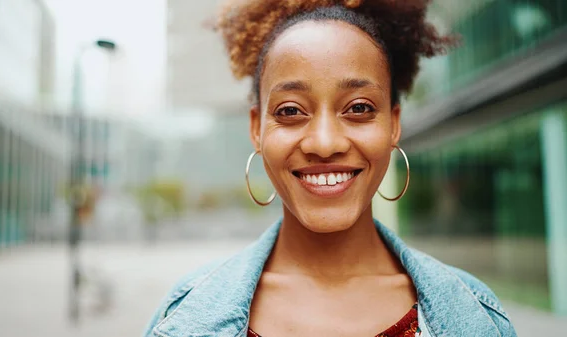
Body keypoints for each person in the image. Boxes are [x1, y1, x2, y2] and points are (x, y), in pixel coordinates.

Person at [144, 0, 517, 336]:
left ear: (394, 124)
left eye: (358, 108)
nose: (325, 143)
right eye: (290, 111)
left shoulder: (477, 318)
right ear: (257, 129)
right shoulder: (183, 318)